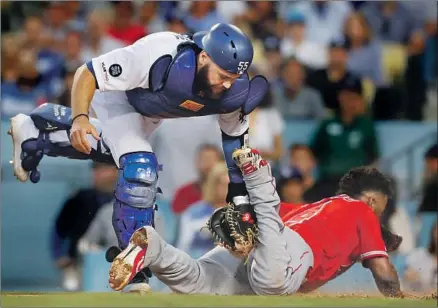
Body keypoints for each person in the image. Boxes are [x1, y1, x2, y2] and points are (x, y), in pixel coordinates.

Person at [8, 23, 268, 292]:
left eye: (233, 78)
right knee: (140, 167)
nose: (227, 84)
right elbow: (87, 73)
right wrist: (80, 118)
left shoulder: (234, 90)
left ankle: (33, 135)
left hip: (148, 112)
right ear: (204, 57)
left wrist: (238, 196)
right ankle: (134, 268)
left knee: (108, 150)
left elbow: (235, 142)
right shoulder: (159, 55)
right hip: (116, 97)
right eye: (223, 75)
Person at [107, 147, 406, 298]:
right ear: (370, 201)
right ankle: (258, 173)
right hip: (286, 258)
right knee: (273, 284)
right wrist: (398, 299)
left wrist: (244, 227)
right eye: (379, 207)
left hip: (267, 246)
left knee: (198, 284)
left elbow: (270, 218)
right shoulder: (361, 212)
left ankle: (154, 247)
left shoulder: (314, 209)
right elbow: (384, 272)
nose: (377, 214)